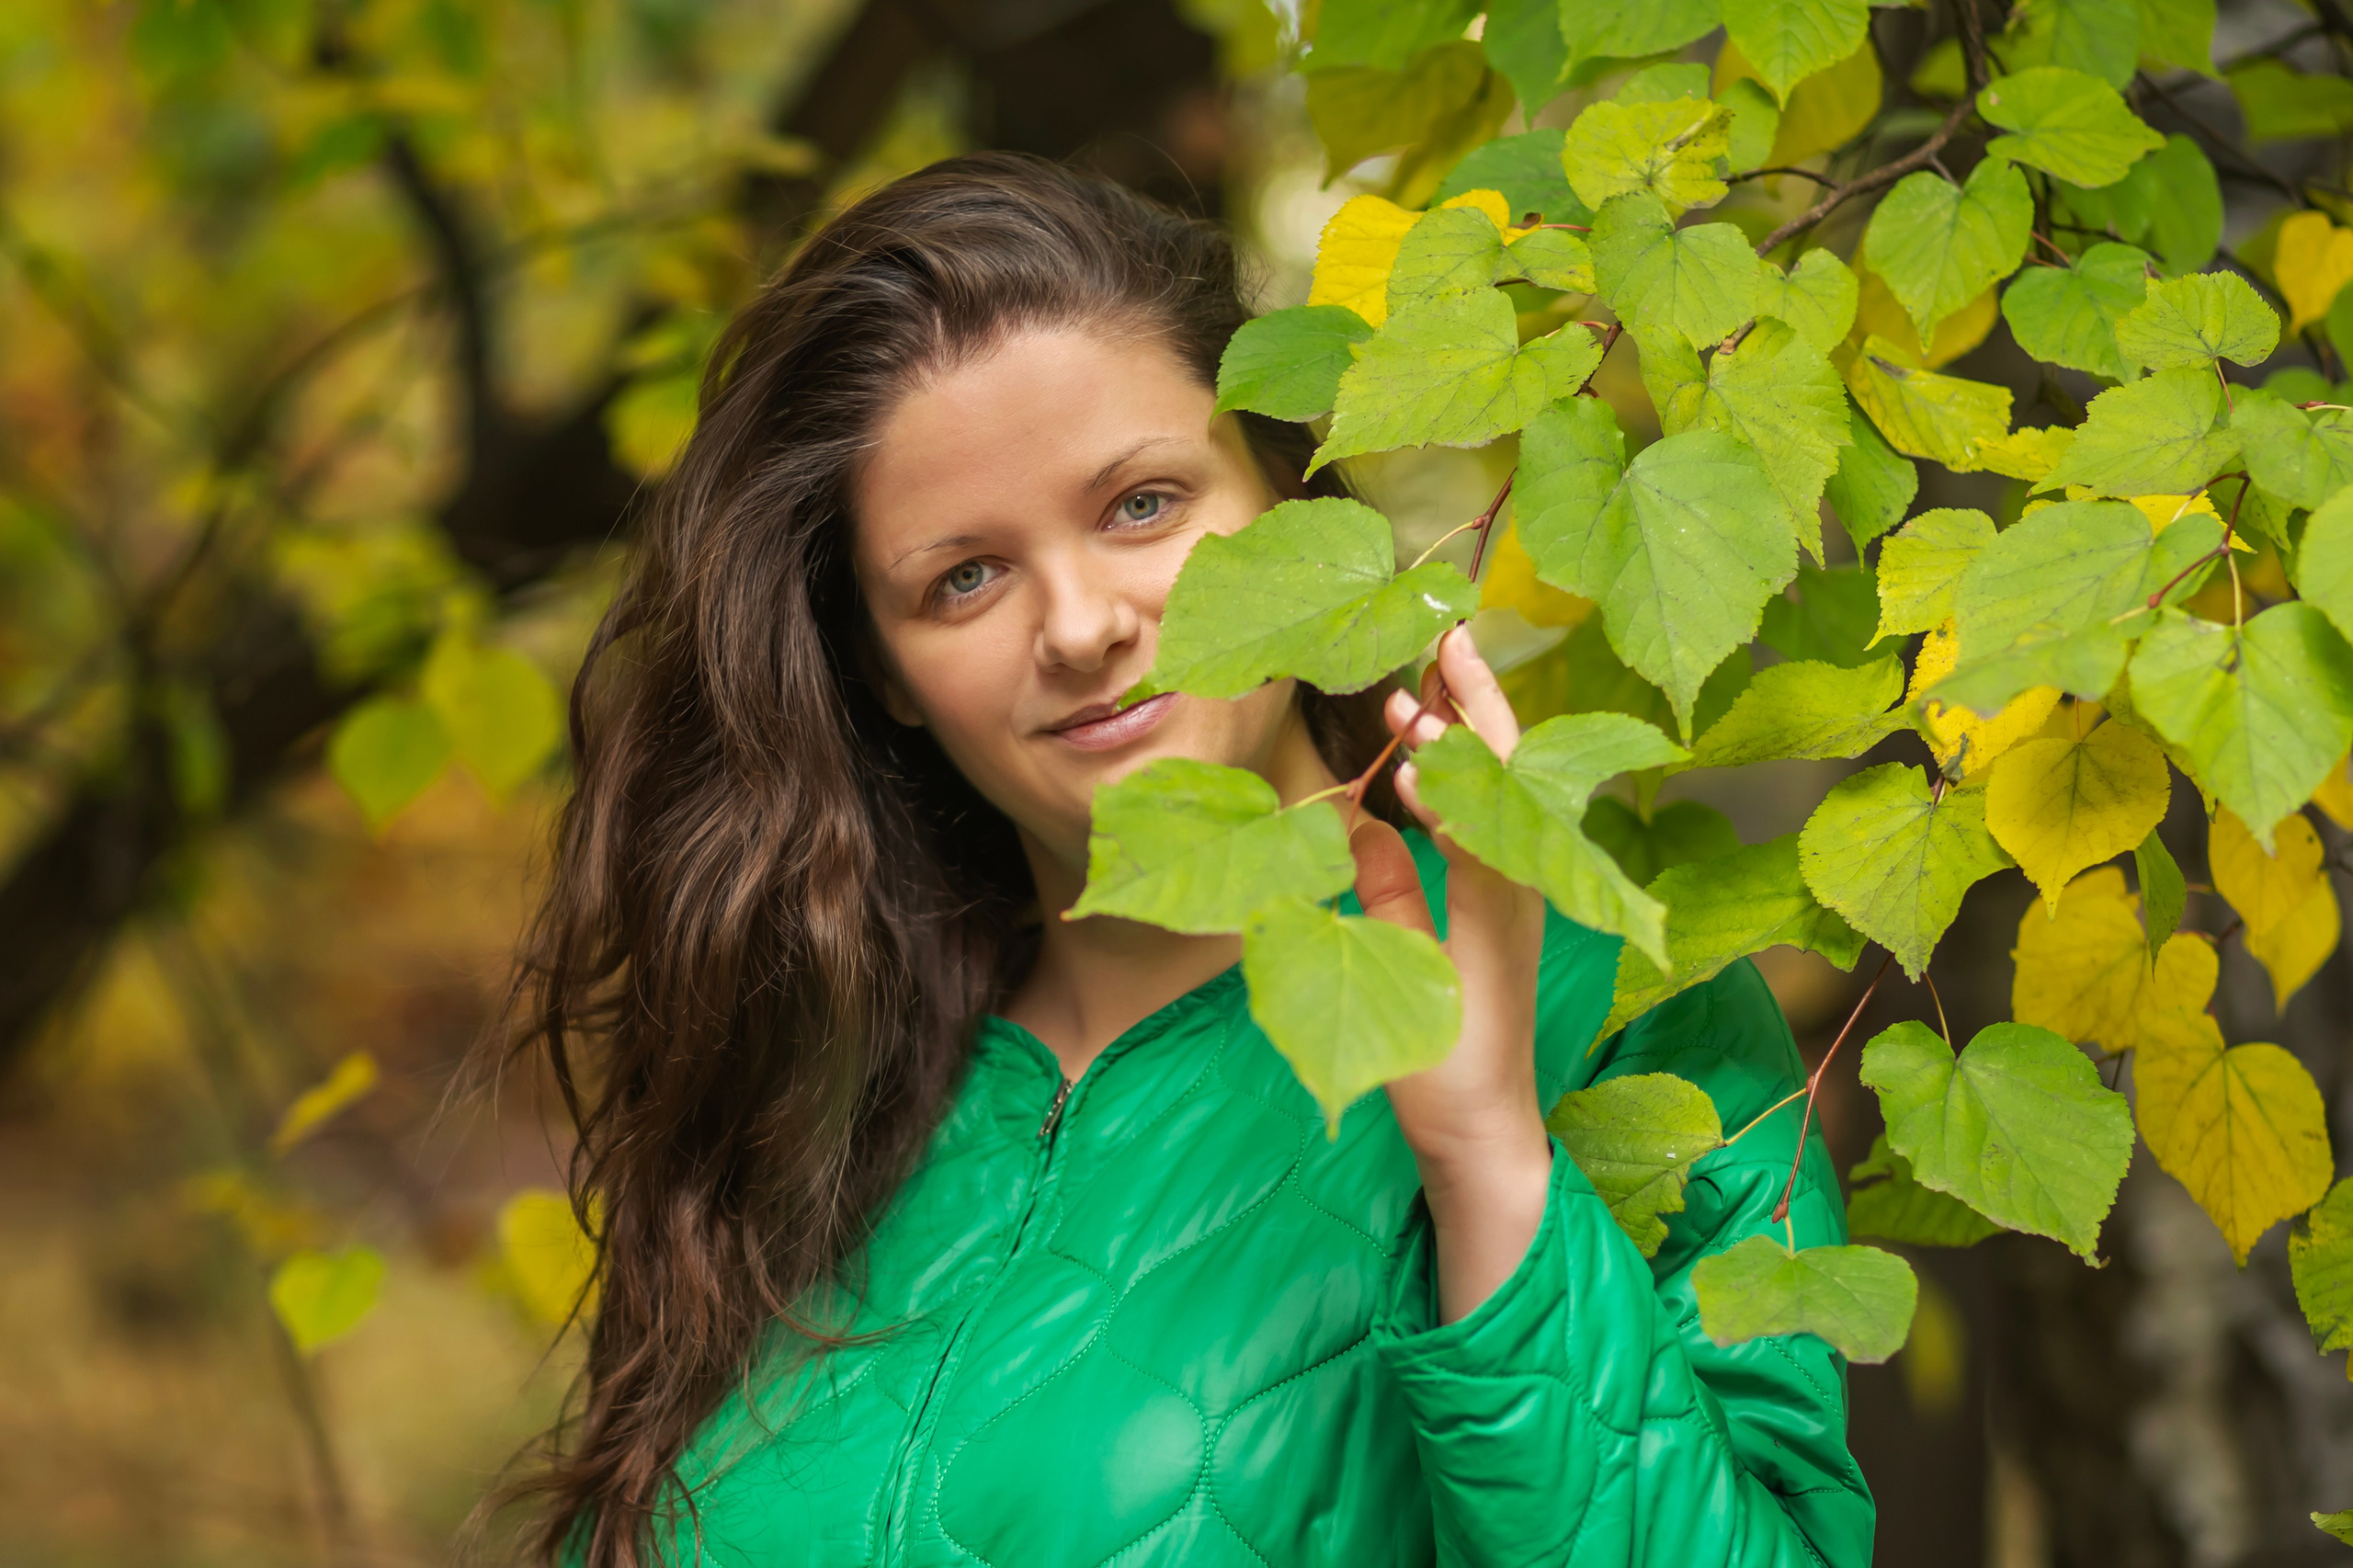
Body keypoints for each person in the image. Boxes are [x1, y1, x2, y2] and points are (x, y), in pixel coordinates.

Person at [503, 151, 1870, 1568]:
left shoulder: (1624, 1004)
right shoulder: (823, 1086)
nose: (1081, 622)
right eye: (962, 576)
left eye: (1141, 503)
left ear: (1291, 497)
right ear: (885, 670)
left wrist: (1485, 1161)